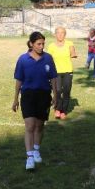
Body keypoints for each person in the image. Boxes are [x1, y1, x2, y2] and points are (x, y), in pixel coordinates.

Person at [12, 32, 58, 171]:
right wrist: (15, 99)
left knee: (39, 125)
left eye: (43, 43)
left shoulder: (48, 58)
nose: (41, 46)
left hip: (44, 95)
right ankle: (30, 157)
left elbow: (54, 78)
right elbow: (19, 80)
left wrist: (56, 95)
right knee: (30, 125)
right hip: (28, 95)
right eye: (38, 44)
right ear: (31, 44)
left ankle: (36, 149)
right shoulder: (23, 59)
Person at [47, 27, 77, 119]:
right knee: (58, 91)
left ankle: (64, 111)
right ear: (55, 34)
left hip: (68, 71)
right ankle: (57, 109)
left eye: (62, 33)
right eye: (58, 33)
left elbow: (72, 51)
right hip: (56, 73)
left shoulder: (69, 43)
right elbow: (48, 58)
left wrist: (73, 54)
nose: (60, 35)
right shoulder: (51, 46)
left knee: (66, 91)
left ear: (65, 34)